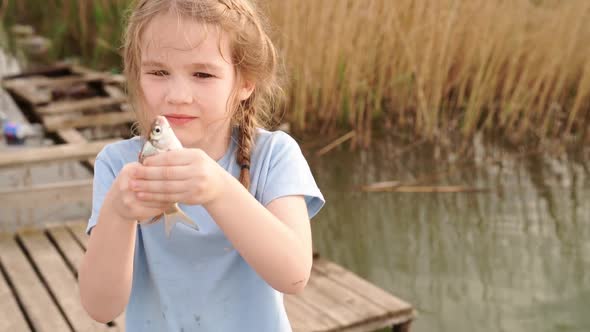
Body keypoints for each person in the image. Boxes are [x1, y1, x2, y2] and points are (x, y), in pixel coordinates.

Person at [78, 1, 325, 331]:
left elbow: (294, 276)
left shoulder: (275, 156)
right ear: (137, 77)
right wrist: (119, 212)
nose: (178, 95)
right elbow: (100, 307)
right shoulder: (118, 165)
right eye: (158, 72)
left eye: (203, 74)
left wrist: (219, 189)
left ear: (244, 83)